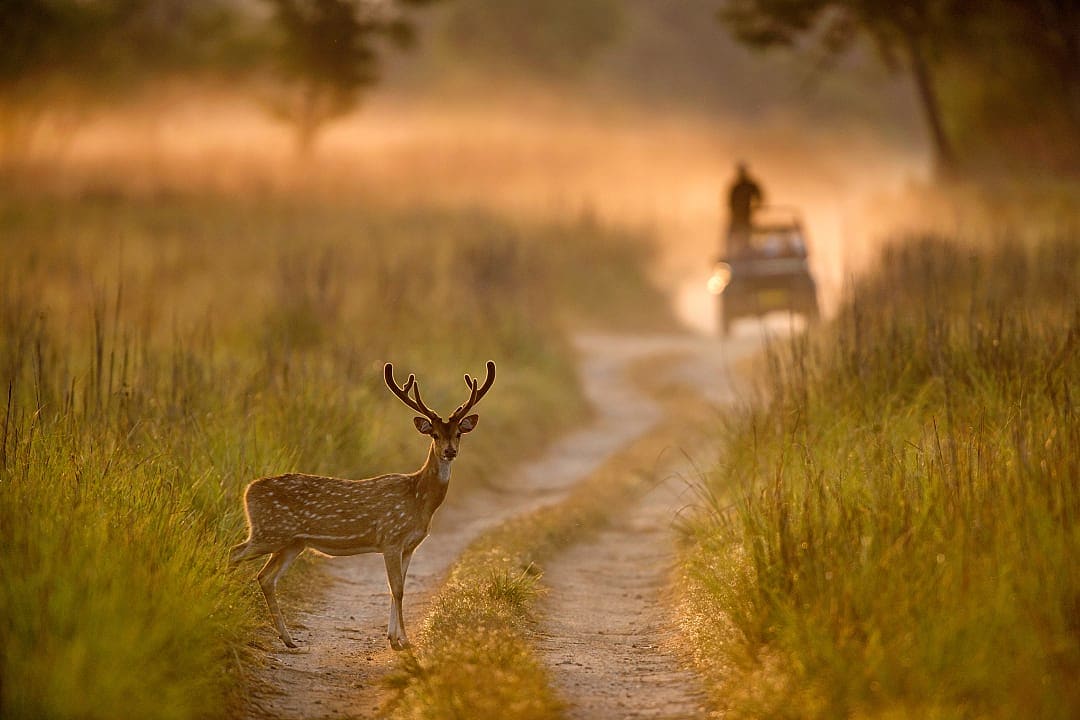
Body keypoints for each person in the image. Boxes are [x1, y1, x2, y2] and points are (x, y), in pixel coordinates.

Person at [726, 163, 763, 255]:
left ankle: (746, 250)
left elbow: (759, 197)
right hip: (738, 217)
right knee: (733, 235)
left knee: (746, 234)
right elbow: (730, 202)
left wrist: (756, 207)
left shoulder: (748, 185)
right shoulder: (736, 187)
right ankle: (735, 252)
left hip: (747, 216)